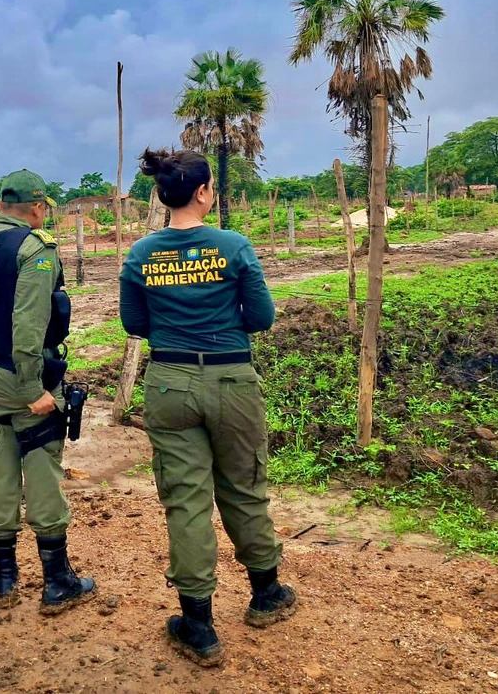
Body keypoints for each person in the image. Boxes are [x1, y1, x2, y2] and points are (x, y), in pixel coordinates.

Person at [119, 148, 294, 667]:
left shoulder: (141, 254)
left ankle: (198, 625)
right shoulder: (234, 246)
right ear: (203, 192)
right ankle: (266, 594)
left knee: (187, 501)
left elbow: (135, 324)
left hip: (169, 383)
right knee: (243, 487)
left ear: (161, 194)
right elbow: (261, 317)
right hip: (232, 379)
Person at [0, 169, 96, 614]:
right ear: (36, 208)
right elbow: (28, 327)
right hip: (24, 380)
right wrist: (34, 390)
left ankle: (3, 577)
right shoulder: (36, 249)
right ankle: (56, 581)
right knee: (42, 471)